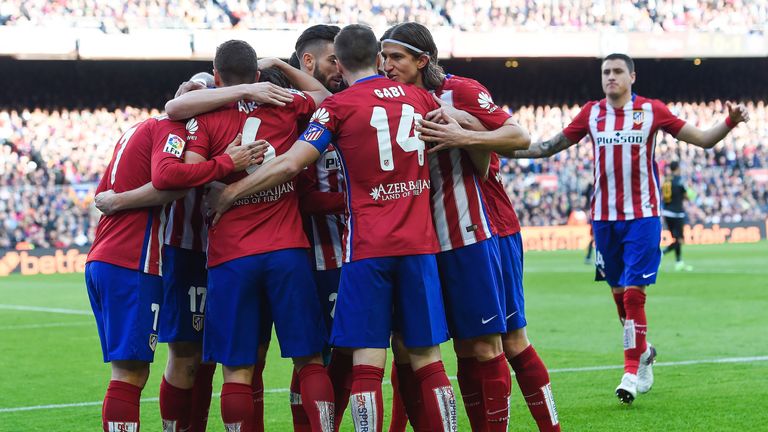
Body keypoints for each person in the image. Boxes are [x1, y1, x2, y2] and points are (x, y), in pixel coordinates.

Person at [208, 24, 458, 432]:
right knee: (429, 359)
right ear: (379, 58)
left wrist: (231, 192)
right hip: (419, 245)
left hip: (367, 249)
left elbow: (290, 163)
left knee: (366, 364)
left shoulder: (338, 107)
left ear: (339, 64)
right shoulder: (420, 96)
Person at [512, 53, 749, 404]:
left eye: (617, 71)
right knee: (620, 298)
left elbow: (702, 139)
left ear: (632, 77)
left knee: (635, 295)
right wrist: (497, 148)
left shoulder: (652, 111)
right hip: (604, 220)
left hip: (643, 216)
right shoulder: (591, 113)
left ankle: (630, 370)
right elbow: (548, 147)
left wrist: (729, 122)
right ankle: (645, 350)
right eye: (606, 72)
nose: (610, 77)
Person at [383, 22, 561, 432]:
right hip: (426, 238)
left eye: (397, 58)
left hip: (485, 229)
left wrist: (465, 133)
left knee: (504, 342)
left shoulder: (459, 90)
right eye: (384, 57)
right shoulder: (389, 98)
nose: (387, 65)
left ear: (422, 60)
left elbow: (518, 136)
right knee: (431, 346)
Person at [169, 39, 336, 431]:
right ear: (259, 76)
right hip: (288, 250)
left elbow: (190, 174)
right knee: (310, 361)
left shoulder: (206, 117)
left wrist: (221, 165)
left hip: (232, 256)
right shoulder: (284, 102)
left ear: (216, 77)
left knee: (237, 370)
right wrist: (281, 64)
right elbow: (325, 97)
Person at [86, 78, 264, 431]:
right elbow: (168, 181)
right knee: (137, 370)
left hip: (116, 255)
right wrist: (226, 162)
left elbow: (113, 191)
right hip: (140, 258)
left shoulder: (138, 130)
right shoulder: (170, 130)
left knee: (172, 363)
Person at [291, 24, 353, 432]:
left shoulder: (350, 105)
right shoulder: (295, 117)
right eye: (333, 59)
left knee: (346, 355)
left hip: (352, 254)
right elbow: (300, 195)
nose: (340, 67)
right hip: (316, 256)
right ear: (308, 61)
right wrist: (357, 201)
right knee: (314, 356)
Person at [661, 161, 692, 271]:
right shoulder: (679, 181)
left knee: (676, 239)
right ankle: (662, 253)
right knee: (679, 240)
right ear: (677, 168)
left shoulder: (666, 180)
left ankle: (679, 262)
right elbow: (688, 197)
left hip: (667, 212)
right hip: (677, 213)